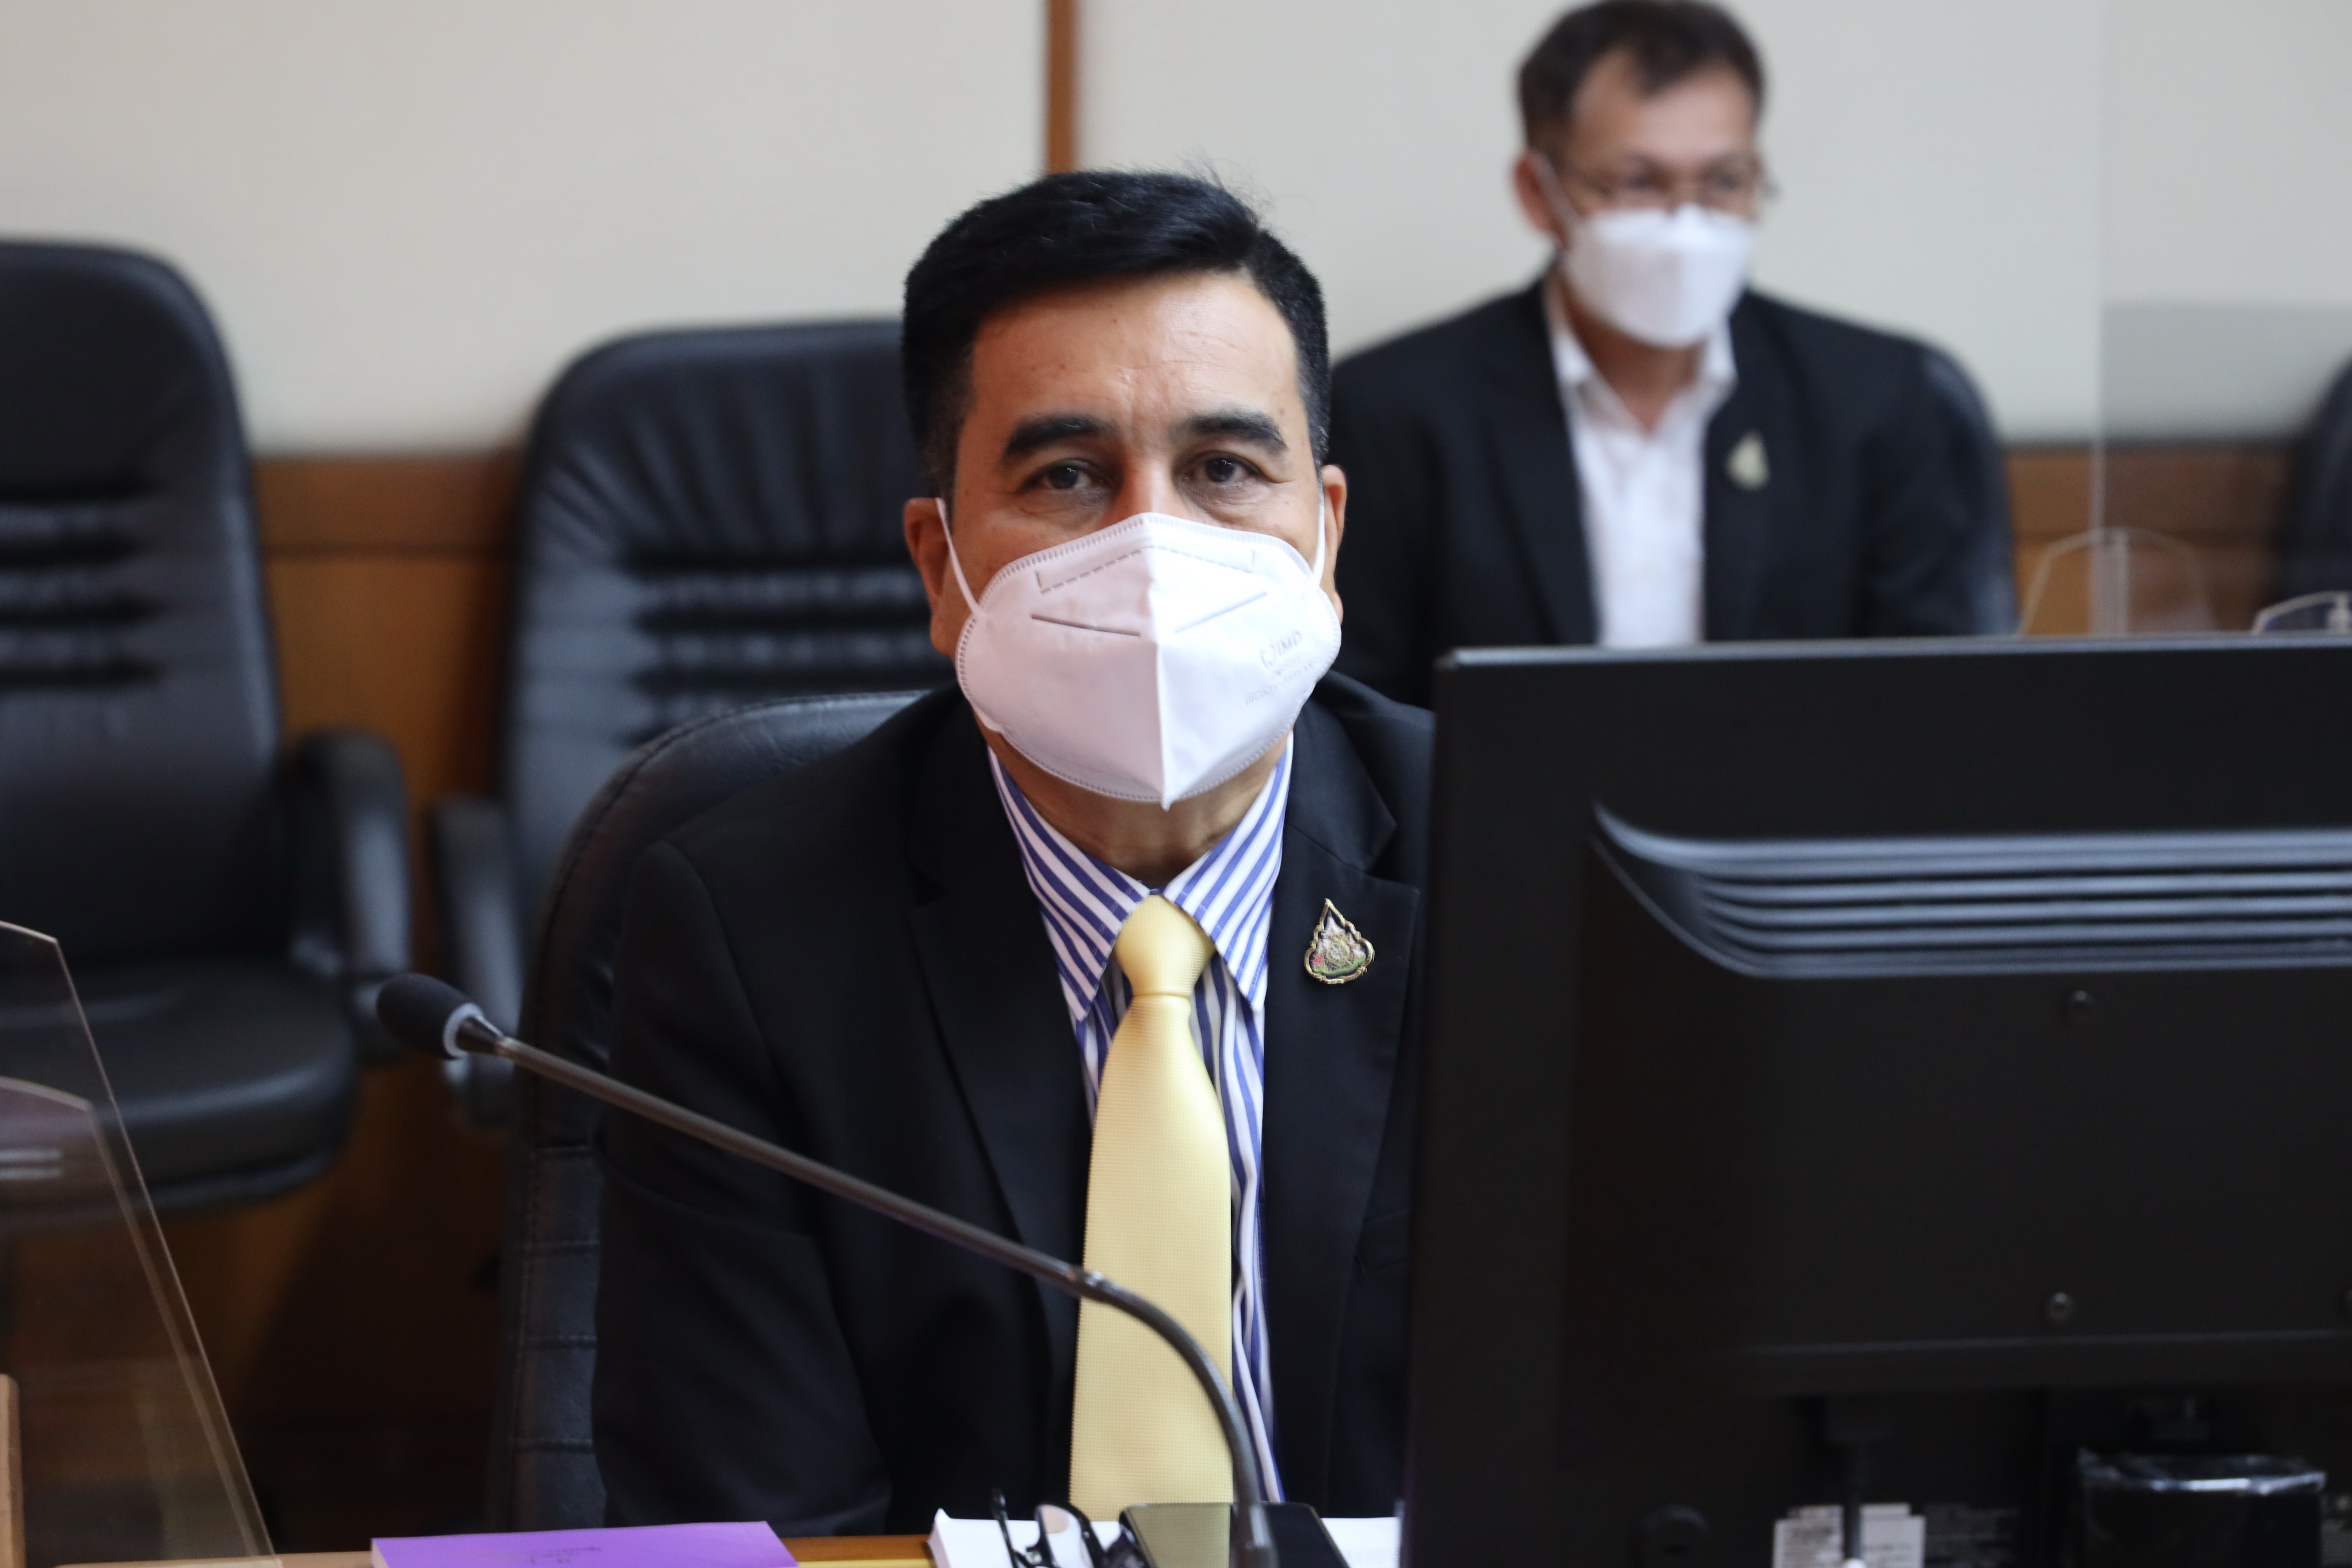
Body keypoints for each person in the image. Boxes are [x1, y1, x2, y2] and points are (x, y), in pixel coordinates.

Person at [592, 171, 1428, 1534]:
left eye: (1223, 470)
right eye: (1066, 476)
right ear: (940, 565)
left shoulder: (1516, 866)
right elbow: (761, 1519)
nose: (1152, 548)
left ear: (1325, 534)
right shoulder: (751, 932)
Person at [1330, 0, 2001, 707]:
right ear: (1539, 192)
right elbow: (1360, 711)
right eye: (1639, 183)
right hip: (1507, 784)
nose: (1686, 226)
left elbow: (1938, 703)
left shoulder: (1882, 402)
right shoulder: (1394, 413)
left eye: (1724, 182)